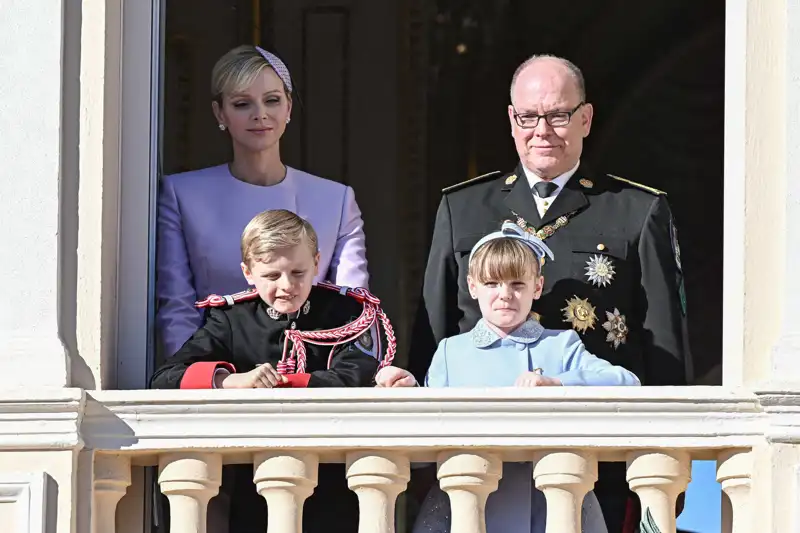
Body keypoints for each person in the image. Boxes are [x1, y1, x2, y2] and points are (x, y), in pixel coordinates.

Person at [411, 54, 691, 532]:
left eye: (558, 115)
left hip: (600, 455)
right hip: (478, 460)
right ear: (511, 120)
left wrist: (668, 459)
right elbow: (433, 332)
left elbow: (663, 345)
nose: (542, 130)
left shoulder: (636, 210)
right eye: (528, 117)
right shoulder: (463, 207)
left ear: (585, 118)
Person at [151, 209, 413, 533]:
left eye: (298, 272)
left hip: (335, 477)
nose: (287, 285)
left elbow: (355, 376)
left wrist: (281, 382)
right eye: (272, 276)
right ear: (248, 272)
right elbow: (166, 377)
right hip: (256, 480)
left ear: (317, 263)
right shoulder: (233, 320)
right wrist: (231, 381)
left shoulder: (346, 312)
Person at [413, 222, 639, 533]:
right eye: (492, 283)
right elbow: (423, 431)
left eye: (517, 284)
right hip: (469, 506)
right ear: (472, 286)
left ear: (537, 286)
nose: (505, 295)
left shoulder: (561, 344)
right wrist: (407, 388)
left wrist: (559, 384)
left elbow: (626, 382)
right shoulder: (451, 352)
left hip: (551, 507)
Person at [157, 44, 369, 359]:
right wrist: (205, 382)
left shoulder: (336, 199)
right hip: (218, 383)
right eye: (243, 103)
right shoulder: (181, 194)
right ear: (220, 113)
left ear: (289, 108)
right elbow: (177, 309)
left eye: (272, 100)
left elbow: (354, 309)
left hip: (311, 379)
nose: (260, 114)